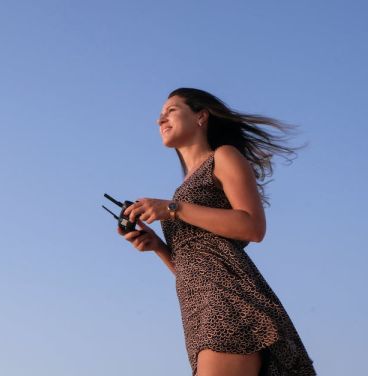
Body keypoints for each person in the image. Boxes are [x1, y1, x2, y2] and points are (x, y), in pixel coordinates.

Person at [120, 88, 316, 375]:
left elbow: (253, 226)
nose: (160, 119)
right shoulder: (183, 187)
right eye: (160, 114)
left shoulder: (223, 157)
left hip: (228, 305)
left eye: (171, 110)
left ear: (201, 116)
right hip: (198, 312)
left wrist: (173, 209)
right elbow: (199, 267)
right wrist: (159, 247)